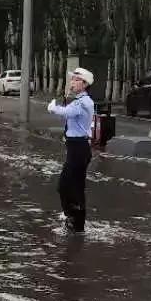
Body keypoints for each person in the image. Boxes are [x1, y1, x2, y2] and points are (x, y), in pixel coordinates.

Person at [48, 67, 96, 232]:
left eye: (76, 80)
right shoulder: (80, 100)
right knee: (75, 187)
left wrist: (53, 108)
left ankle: (73, 220)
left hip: (78, 149)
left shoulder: (82, 103)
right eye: (72, 79)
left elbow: (66, 112)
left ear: (85, 84)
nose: (72, 82)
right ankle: (76, 223)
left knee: (65, 186)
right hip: (77, 148)